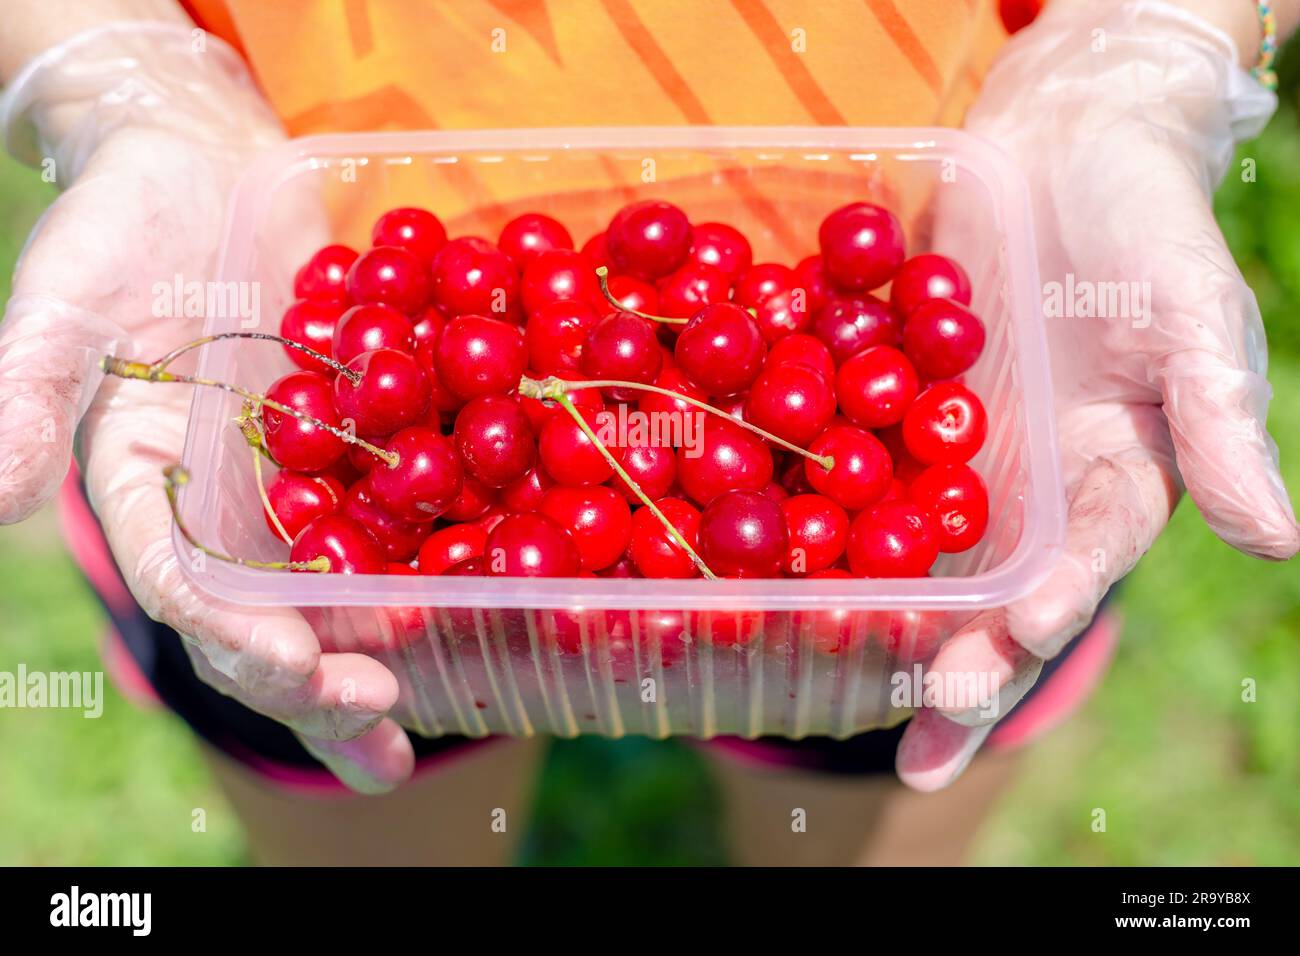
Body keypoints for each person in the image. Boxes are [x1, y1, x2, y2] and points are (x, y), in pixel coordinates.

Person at [0, 0, 1295, 866]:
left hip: (889, 528)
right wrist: (116, 81)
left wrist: (1141, 52)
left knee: (863, 786)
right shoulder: (318, 434)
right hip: (324, 470)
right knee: (359, 773)